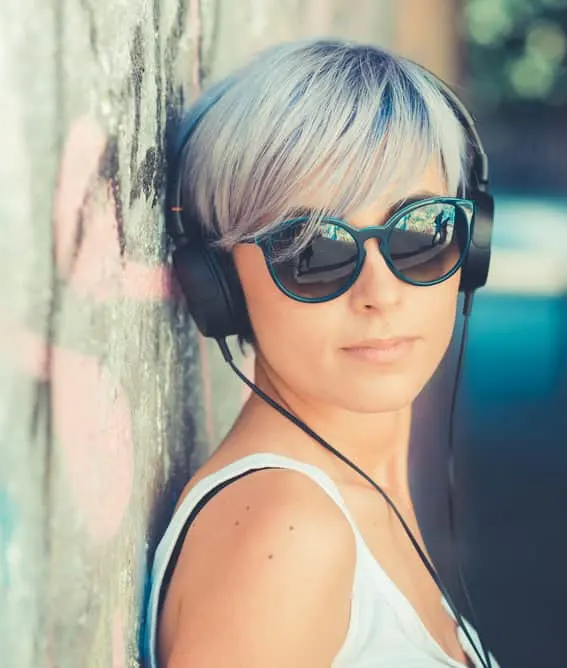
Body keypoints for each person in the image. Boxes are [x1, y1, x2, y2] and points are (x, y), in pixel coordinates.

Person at [145, 39, 501, 667]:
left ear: (469, 250)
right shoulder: (287, 535)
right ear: (220, 287)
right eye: (311, 251)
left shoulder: (350, 505)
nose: (379, 293)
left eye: (420, 231)